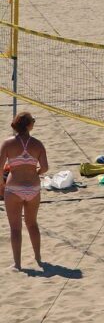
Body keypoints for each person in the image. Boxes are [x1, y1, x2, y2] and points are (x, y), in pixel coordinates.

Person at [1, 112, 47, 270]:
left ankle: (18, 264)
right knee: (32, 224)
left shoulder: (7, 143)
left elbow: (0, 169)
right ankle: (38, 258)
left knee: (15, 228)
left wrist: (2, 184)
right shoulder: (38, 144)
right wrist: (37, 173)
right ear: (28, 125)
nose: (34, 123)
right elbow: (46, 167)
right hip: (33, 188)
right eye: (33, 121)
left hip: (14, 188)